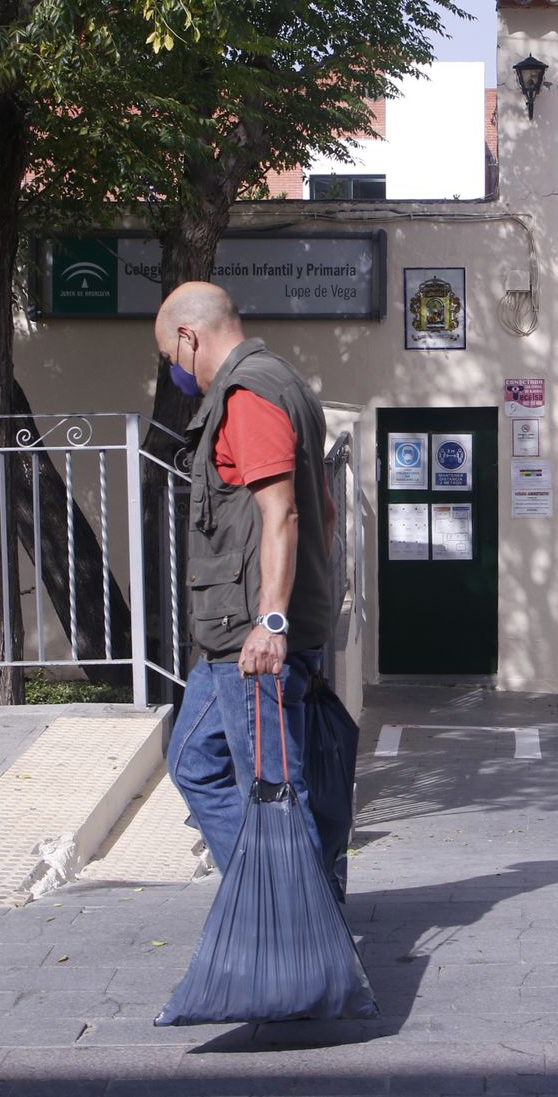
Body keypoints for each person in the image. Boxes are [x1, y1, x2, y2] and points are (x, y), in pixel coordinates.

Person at [155, 281, 336, 875]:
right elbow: (326, 513)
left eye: (168, 357)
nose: (173, 371)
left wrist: (274, 621)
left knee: (274, 792)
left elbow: (282, 512)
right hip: (236, 636)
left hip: (253, 638)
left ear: (188, 336)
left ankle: (297, 927)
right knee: (193, 761)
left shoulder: (248, 395)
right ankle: (258, 896)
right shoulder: (284, 383)